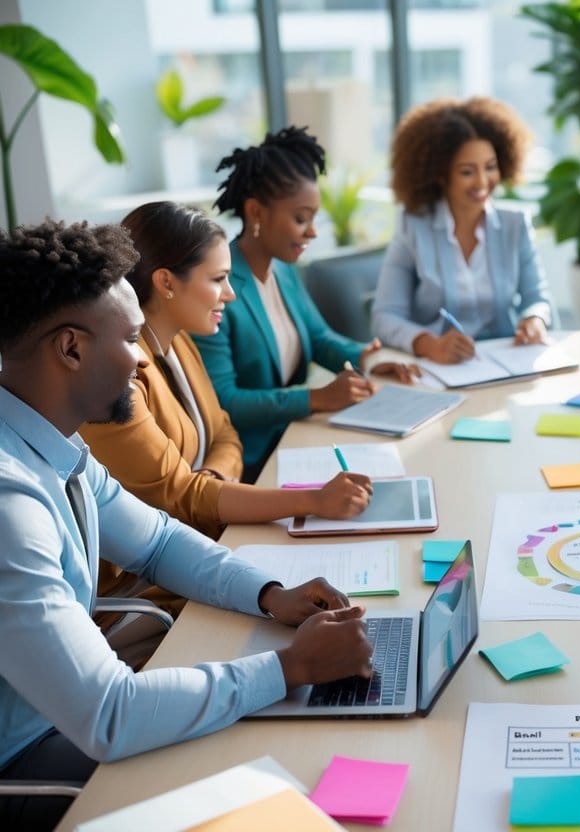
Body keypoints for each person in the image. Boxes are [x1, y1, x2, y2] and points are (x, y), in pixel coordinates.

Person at [0, 220, 373, 831]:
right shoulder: (9, 503)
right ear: (69, 349)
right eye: (129, 339)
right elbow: (110, 716)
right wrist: (290, 667)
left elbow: (160, 540)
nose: (143, 361)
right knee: (273, 774)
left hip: (69, 722)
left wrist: (269, 594)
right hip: (34, 765)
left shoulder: (54, 445)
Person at [80, 202, 373, 547]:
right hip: (157, 576)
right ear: (166, 282)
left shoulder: (182, 342)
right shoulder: (119, 380)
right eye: (218, 279)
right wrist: (312, 500)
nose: (230, 294)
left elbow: (225, 432)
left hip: (210, 535)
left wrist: (216, 478)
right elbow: (180, 494)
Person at [195, 126, 420, 479]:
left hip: (293, 437)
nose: (312, 232)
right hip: (251, 458)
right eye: (301, 219)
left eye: (314, 219)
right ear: (256, 212)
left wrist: (368, 358)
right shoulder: (219, 285)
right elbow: (225, 400)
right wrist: (316, 399)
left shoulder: (284, 271)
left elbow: (318, 338)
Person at [371, 97, 556, 363]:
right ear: (440, 174)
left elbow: (537, 297)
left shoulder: (516, 224)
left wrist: (533, 319)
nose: (483, 181)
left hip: (508, 361)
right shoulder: (412, 226)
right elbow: (385, 316)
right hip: (442, 367)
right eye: (467, 172)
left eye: (490, 167)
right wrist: (428, 344)